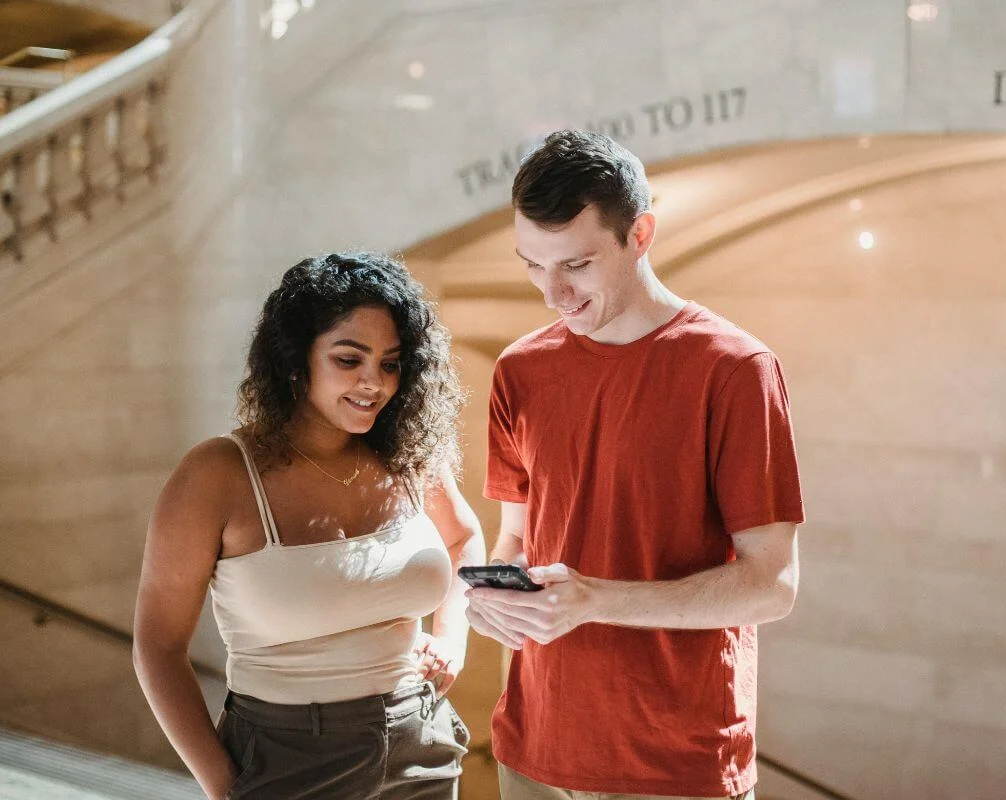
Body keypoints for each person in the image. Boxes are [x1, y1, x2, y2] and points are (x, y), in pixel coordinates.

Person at [466, 131, 805, 799]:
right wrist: (490, 599)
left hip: (675, 767)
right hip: (530, 750)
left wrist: (597, 600)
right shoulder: (520, 371)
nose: (553, 293)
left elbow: (773, 585)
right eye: (533, 264)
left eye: (578, 264)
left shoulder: (736, 370)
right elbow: (517, 538)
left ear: (641, 233)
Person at [133, 252, 485, 800]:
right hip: (284, 757)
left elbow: (463, 538)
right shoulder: (218, 474)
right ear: (297, 361)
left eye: (390, 363)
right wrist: (226, 787)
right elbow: (157, 647)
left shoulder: (408, 456)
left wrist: (452, 641)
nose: (374, 383)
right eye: (349, 359)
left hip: (422, 744)